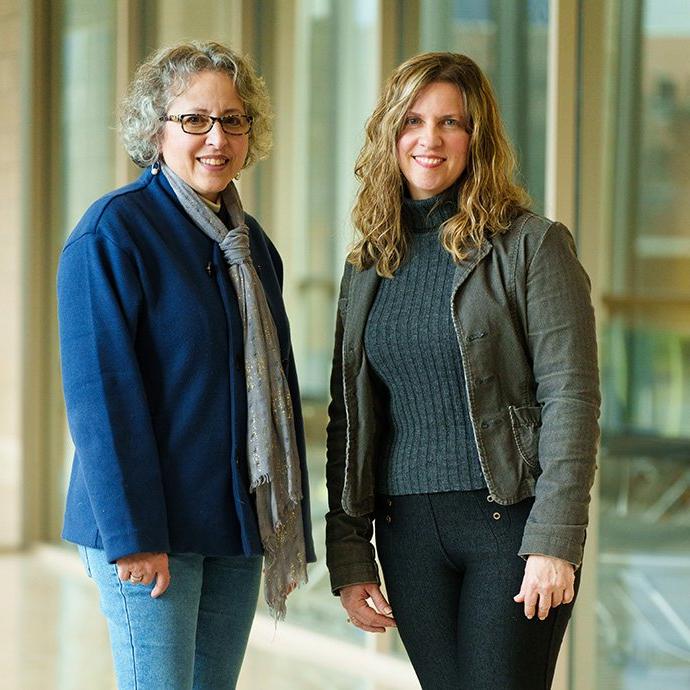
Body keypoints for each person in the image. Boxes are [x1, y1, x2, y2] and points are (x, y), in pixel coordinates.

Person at [325, 52, 599, 689]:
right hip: (407, 534)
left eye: (451, 122)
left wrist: (556, 540)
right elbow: (351, 418)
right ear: (390, 132)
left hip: (511, 529)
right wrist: (348, 552)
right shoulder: (368, 264)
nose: (430, 139)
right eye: (413, 120)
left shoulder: (532, 246)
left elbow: (572, 397)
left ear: (479, 138)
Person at [57, 41, 315, 690]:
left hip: (232, 524)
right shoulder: (113, 232)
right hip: (149, 527)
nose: (216, 138)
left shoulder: (255, 251)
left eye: (233, 120)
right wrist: (134, 535)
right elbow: (101, 398)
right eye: (194, 119)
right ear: (154, 129)